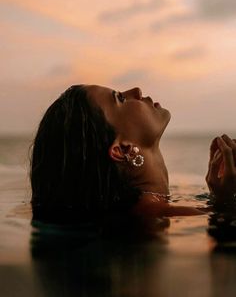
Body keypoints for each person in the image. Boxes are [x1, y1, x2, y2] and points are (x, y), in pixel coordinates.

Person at [30, 84, 236, 232]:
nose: (136, 91)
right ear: (121, 149)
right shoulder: (165, 215)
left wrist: (220, 197)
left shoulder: (149, 211)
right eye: (120, 98)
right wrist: (226, 205)